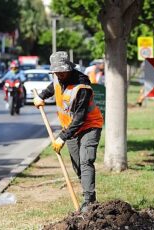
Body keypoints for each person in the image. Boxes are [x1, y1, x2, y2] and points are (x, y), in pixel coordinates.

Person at [33, 51, 103, 212]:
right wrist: (42, 96)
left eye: (62, 71)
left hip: (89, 126)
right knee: (78, 165)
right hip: (70, 129)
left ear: (69, 69)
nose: (59, 75)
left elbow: (79, 118)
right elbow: (53, 87)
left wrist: (61, 138)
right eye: (56, 72)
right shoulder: (58, 78)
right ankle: (89, 196)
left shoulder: (82, 86)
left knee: (86, 160)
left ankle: (89, 200)